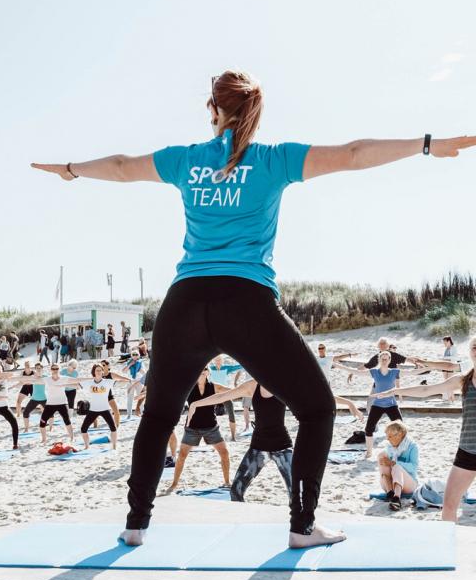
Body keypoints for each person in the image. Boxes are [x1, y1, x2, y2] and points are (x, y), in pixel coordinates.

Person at [32, 69, 476, 547]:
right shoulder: (272, 160)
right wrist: (428, 144)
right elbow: (352, 154)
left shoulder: (186, 161)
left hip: (184, 302)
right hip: (244, 301)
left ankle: (136, 524)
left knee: (159, 414)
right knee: (318, 408)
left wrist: (72, 169)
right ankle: (302, 527)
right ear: (256, 114)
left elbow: (121, 166)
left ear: (213, 109)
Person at [370, 336, 476, 522]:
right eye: (475, 347)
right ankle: (449, 547)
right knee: (449, 506)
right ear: (469, 351)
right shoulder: (463, 380)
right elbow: (427, 390)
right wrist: (396, 391)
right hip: (467, 451)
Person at [189, 377, 293, 502]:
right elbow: (222, 396)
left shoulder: (284, 384)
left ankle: (301, 520)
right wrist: (196, 403)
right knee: (235, 491)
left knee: (296, 492)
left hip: (282, 446)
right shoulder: (253, 385)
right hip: (258, 447)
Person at [168, 367, 231, 492]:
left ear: (208, 372)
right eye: (200, 368)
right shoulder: (189, 387)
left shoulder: (214, 387)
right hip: (192, 428)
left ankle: (227, 482)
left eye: (205, 369)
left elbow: (234, 392)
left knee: (224, 453)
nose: (202, 371)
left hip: (211, 427)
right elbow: (171, 391)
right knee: (182, 455)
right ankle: (174, 484)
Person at [78, 363, 130, 449]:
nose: (98, 372)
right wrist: (64, 385)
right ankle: (87, 446)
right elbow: (77, 385)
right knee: (83, 429)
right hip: (93, 410)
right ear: (93, 372)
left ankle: (114, 446)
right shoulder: (89, 382)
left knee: (113, 428)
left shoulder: (107, 382)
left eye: (100, 370)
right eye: (96, 370)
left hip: (105, 409)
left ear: (103, 372)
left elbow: (120, 384)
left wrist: (128, 381)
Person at [315, 343, 363, 421]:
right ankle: (354, 409)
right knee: (324, 400)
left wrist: (350, 354)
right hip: (317, 383)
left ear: (325, 349)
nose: (321, 350)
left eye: (322, 348)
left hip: (326, 383)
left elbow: (340, 357)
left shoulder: (329, 358)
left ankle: (354, 410)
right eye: (319, 348)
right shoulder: (315, 358)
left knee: (330, 400)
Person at [377, 420, 419, 511]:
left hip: (409, 484)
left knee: (396, 466)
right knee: (381, 455)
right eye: (387, 436)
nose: (387, 439)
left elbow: (414, 468)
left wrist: (394, 463)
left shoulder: (412, 447)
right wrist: (389, 463)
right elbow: (386, 466)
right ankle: (390, 493)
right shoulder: (390, 446)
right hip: (390, 484)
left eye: (390, 436)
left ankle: (396, 499)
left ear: (400, 434)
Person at [38, 364, 77, 445]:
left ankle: (72, 438)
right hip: (50, 404)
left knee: (67, 421)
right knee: (42, 422)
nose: (55, 370)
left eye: (57, 368)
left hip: (62, 403)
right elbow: (32, 380)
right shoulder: (47, 379)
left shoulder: (64, 378)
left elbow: (77, 382)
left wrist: (93, 378)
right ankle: (44, 439)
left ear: (59, 369)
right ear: (51, 370)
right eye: (53, 368)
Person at [123, 350, 145, 418]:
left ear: (138, 355)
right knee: (130, 398)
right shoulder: (128, 362)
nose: (135, 356)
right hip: (130, 382)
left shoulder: (140, 363)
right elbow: (124, 371)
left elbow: (144, 373)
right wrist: (130, 364)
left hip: (138, 382)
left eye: (136, 354)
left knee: (140, 398)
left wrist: (139, 369)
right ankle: (129, 414)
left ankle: (142, 413)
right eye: (133, 354)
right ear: (131, 355)